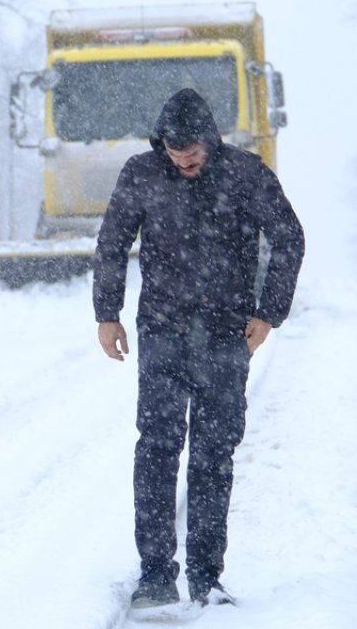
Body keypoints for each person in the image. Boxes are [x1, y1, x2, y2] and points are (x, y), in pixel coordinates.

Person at [93, 88, 305, 609]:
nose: (183, 160)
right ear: (161, 144)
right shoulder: (141, 173)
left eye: (192, 152)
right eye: (174, 151)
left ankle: (206, 580)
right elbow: (112, 242)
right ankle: (155, 575)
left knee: (214, 456)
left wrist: (268, 312)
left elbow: (289, 237)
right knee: (158, 450)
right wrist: (106, 313)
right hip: (162, 333)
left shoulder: (246, 173)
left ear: (210, 142)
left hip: (226, 336)